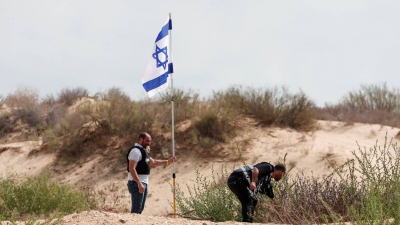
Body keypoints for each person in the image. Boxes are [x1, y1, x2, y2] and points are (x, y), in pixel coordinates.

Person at [126, 132, 177, 214]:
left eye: (150, 141)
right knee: (136, 210)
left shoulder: (143, 151)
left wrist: (168, 161)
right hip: (136, 183)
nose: (149, 143)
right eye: (147, 141)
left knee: (140, 209)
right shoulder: (136, 151)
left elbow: (152, 162)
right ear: (140, 139)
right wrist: (139, 183)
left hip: (143, 182)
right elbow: (132, 168)